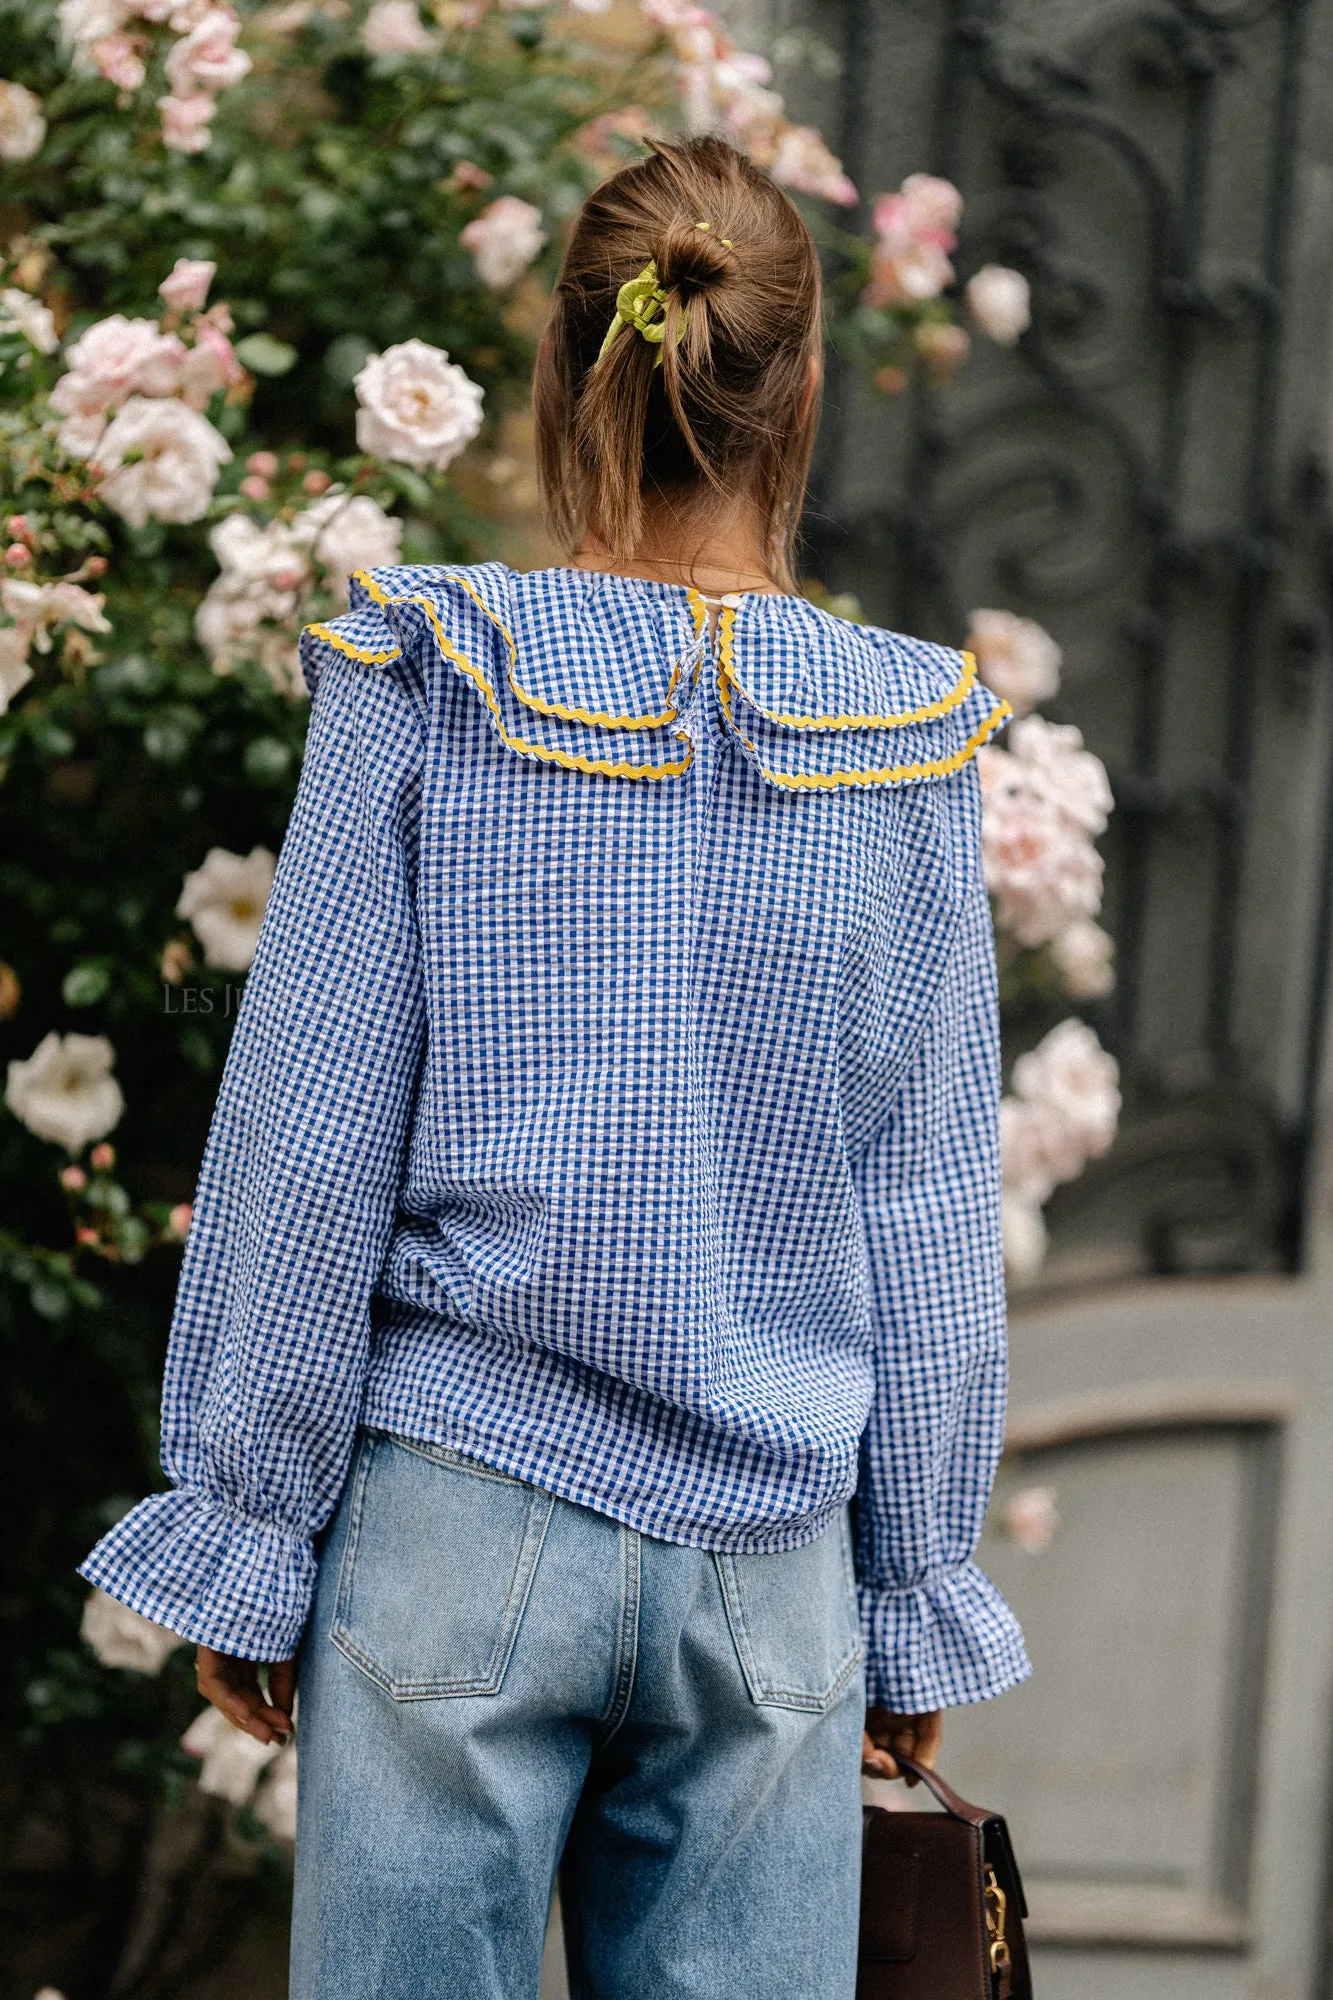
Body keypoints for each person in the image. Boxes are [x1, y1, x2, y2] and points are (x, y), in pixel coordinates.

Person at [80, 136, 1029, 1999]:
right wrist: (911, 1593)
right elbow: (925, 1201)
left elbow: (308, 1123)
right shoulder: (907, 741)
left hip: (455, 1516)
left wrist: (254, 1524)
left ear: (565, 369)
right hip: (772, 1568)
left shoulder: (436, 672)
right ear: (804, 387)